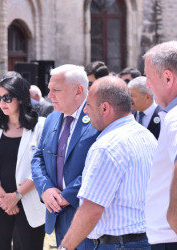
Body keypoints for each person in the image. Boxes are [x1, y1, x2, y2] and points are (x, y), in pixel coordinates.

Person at [59, 76, 157, 250]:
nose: (86, 111)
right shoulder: (146, 136)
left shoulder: (106, 147)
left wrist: (65, 247)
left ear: (104, 108)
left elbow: (91, 209)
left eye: (88, 105)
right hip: (145, 240)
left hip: (118, 244)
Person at [31, 64, 100, 249]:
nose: (49, 95)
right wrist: (45, 189)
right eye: (49, 90)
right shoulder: (53, 117)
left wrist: (67, 195)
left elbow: (97, 167)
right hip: (57, 211)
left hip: (86, 215)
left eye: (56, 90)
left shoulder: (98, 118)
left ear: (78, 91)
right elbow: (38, 157)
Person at [0, 76, 46, 250]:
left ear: (21, 98)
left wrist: (16, 196)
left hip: (28, 201)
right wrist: (4, 198)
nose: (2, 103)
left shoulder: (40, 126)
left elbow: (42, 167)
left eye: (7, 98)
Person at [144, 41, 177, 249]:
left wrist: (173, 218)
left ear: (167, 78)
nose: (147, 84)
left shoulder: (175, 117)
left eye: (148, 77)